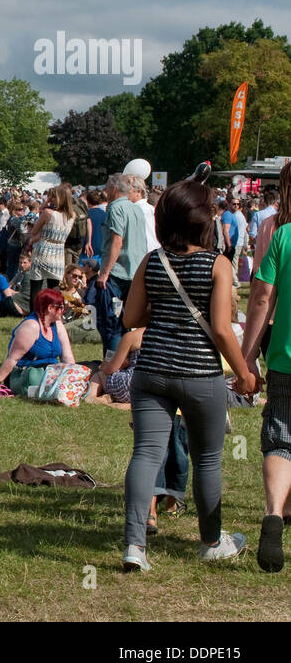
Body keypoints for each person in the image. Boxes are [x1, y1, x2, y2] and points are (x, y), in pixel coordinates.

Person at [120, 179, 255, 573]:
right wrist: (245, 374)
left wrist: (161, 313)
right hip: (200, 374)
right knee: (208, 458)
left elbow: (130, 319)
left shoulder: (153, 260)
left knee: (145, 454)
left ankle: (134, 545)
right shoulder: (218, 264)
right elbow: (223, 329)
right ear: (204, 221)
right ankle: (211, 541)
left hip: (152, 371)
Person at [242, 161, 291, 571]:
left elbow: (261, 300)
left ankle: (275, 514)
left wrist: (245, 358)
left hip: (285, 358)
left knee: (281, 438)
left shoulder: (283, 236)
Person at [0, 288, 76, 397]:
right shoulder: (31, 326)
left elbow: (67, 356)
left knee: (93, 365)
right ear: (50, 308)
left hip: (51, 372)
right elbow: (13, 359)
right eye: (61, 307)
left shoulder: (57, 325)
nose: (64, 311)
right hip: (26, 374)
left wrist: (75, 375)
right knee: (49, 369)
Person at [97, 173, 147, 356]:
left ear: (114, 189)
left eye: (107, 188)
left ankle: (111, 362)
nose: (105, 191)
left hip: (117, 273)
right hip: (135, 271)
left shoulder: (115, 208)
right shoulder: (137, 209)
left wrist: (105, 272)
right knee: (128, 320)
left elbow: (117, 241)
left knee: (112, 323)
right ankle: (126, 360)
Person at [21, 186, 76, 311]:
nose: (53, 200)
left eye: (54, 197)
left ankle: (34, 316)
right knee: (54, 289)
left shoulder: (48, 213)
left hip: (43, 251)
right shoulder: (72, 215)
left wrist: (46, 203)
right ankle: (52, 314)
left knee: (36, 287)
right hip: (58, 254)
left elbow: (34, 231)